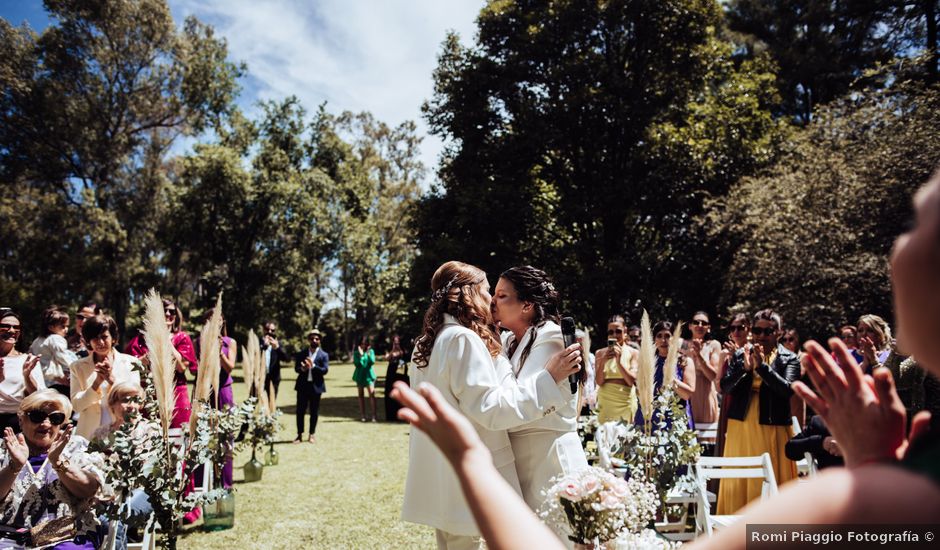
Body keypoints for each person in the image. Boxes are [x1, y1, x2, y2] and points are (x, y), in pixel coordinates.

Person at [691, 171, 940, 550]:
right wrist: (873, 460)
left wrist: (872, 476)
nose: (898, 249)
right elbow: (727, 388)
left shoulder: (919, 485)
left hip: (774, 432)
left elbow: (765, 536)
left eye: (917, 224)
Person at [402, 260, 581, 550]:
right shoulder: (462, 339)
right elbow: (492, 410)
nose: (491, 300)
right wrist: (549, 378)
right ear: (468, 293)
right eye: (487, 291)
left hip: (444, 482)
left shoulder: (428, 343)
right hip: (468, 488)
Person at [392, 381, 564, 550]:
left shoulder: (424, 352)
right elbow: (491, 409)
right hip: (474, 472)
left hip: (446, 473)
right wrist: (549, 381)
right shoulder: (467, 350)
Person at [491, 265, 588, 514]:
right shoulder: (508, 340)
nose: (492, 302)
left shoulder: (550, 337)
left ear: (527, 305)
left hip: (550, 458)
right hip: (521, 460)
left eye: (502, 296)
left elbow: (520, 403)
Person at [716, 309, 800, 514]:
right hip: (741, 425)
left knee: (768, 477)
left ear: (778, 332)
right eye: (757, 331)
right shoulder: (739, 355)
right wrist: (743, 370)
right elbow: (725, 387)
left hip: (772, 425)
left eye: (767, 331)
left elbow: (787, 390)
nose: (761, 336)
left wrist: (762, 367)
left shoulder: (789, 358)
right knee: (740, 476)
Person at [0, 390, 108, 549]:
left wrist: (58, 462)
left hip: (66, 537)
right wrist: (14, 466)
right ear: (21, 420)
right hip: (7, 537)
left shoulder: (78, 447)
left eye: (55, 418)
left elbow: (89, 489)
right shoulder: (4, 448)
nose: (46, 423)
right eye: (37, 416)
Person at [124, 299, 196, 428]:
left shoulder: (182, 338)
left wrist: (164, 337)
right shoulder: (139, 340)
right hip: (149, 397)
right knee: (150, 438)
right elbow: (127, 367)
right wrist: (142, 360)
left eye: (172, 311)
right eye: (164, 311)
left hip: (176, 395)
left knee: (177, 439)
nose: (168, 314)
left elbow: (181, 368)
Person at [71, 314, 142, 439]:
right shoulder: (77, 367)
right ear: (88, 341)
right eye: (94, 338)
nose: (100, 342)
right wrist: (96, 383)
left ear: (113, 338)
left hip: (123, 432)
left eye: (104, 337)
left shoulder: (131, 363)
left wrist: (111, 380)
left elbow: (136, 399)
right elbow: (77, 406)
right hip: (89, 434)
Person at [635, 321, 695, 429]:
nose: (663, 340)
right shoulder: (647, 363)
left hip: (675, 420)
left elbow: (687, 394)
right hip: (650, 418)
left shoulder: (684, 362)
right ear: (654, 340)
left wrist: (670, 378)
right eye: (659, 336)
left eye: (668, 336)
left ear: (674, 338)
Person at [0, 309, 44, 432]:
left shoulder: (29, 360)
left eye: (16, 327)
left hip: (19, 421)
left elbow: (38, 396)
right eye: (5, 326)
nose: (12, 331)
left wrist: (27, 376)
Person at [716, 313, 750, 456]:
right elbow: (718, 387)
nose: (736, 332)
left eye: (740, 328)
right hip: (727, 401)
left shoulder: (752, 350)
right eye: (732, 328)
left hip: (746, 402)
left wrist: (739, 357)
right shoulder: (723, 354)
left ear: (748, 329)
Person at [594, 314, 637, 424]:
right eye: (610, 332)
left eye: (618, 331)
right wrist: (603, 361)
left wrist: (618, 362)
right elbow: (599, 381)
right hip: (606, 400)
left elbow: (631, 381)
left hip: (625, 401)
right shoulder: (600, 353)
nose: (614, 335)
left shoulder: (634, 352)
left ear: (625, 331)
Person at [684, 311, 720, 426]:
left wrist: (699, 355)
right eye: (696, 322)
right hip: (687, 395)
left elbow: (713, 375)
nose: (700, 325)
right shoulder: (682, 344)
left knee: (706, 441)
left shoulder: (714, 345)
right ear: (690, 326)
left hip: (706, 396)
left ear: (708, 327)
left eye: (704, 323)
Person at [28, 306, 75, 395]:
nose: (66, 329)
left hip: (41, 379)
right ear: (51, 327)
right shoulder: (56, 339)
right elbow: (63, 357)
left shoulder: (37, 340)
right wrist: (76, 367)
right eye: (63, 326)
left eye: (67, 326)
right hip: (55, 380)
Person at [294, 329, 328, 443]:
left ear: (320, 340)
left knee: (314, 412)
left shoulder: (324, 355)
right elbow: (296, 369)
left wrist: (313, 366)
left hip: (316, 387)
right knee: (300, 411)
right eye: (312, 338)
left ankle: (312, 434)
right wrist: (302, 368)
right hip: (303, 386)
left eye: (317, 338)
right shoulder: (302, 353)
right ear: (309, 340)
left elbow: (325, 370)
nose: (314, 340)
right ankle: (299, 435)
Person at [383, 335, 410, 422]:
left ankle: (402, 415)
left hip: (401, 374)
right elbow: (387, 358)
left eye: (398, 343)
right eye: (395, 342)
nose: (396, 344)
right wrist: (392, 350)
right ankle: (391, 416)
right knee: (390, 392)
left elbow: (406, 358)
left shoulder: (404, 350)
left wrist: (400, 352)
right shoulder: (389, 349)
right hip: (391, 373)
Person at [260, 321, 287, 400]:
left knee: (271, 402)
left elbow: (285, 358)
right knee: (254, 402)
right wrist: (264, 346)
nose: (269, 332)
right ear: (263, 330)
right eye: (267, 329)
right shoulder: (258, 342)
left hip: (274, 378)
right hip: (259, 377)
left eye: (272, 330)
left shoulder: (278, 343)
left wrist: (277, 348)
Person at [352, 337, 377, 422]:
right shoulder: (356, 353)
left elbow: (372, 361)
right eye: (362, 343)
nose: (363, 345)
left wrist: (367, 354)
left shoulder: (371, 352)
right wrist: (361, 355)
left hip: (369, 376)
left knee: (372, 395)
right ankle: (363, 415)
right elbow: (357, 364)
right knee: (360, 396)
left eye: (365, 343)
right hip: (360, 376)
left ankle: (374, 416)